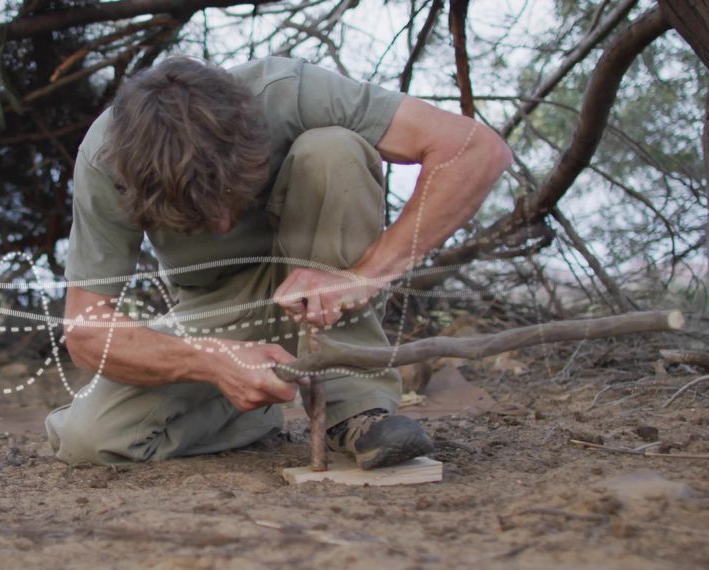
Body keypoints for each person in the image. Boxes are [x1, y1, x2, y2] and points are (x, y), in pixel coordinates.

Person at [45, 56, 512, 468]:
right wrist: (213, 362)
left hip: (327, 273)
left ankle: (356, 408)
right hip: (220, 311)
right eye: (196, 213)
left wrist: (364, 275)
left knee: (334, 149)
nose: (225, 223)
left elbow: (476, 149)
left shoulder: (288, 91)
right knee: (91, 440)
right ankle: (252, 407)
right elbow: (85, 329)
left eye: (234, 194)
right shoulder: (108, 160)